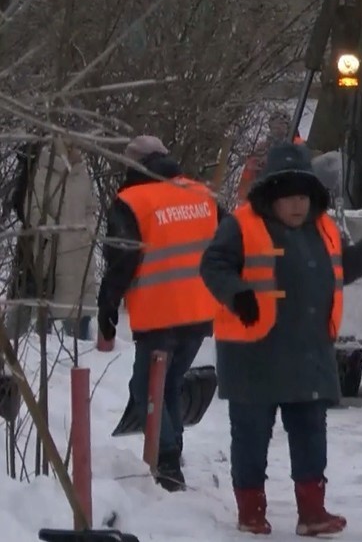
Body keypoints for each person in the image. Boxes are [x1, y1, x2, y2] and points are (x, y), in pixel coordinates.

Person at [199, 142, 362, 536]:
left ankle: (312, 512)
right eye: (288, 197)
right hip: (254, 354)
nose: (297, 205)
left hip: (308, 352)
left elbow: (339, 270)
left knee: (310, 434)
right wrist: (238, 294)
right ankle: (250, 510)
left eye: (303, 196)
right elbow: (213, 265)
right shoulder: (241, 225)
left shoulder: (323, 228)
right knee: (251, 436)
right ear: (271, 195)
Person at [97, 135, 224, 492]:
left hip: (159, 312)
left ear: (133, 165)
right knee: (167, 383)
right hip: (199, 310)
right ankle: (172, 454)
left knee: (145, 387)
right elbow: (229, 242)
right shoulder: (203, 195)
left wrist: (107, 305)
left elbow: (122, 259)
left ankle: (167, 463)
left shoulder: (132, 201)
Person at [5, 138, 99, 340]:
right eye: (71, 144)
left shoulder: (82, 172)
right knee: (47, 305)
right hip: (51, 250)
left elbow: (91, 207)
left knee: (79, 308)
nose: (76, 149)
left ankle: (78, 354)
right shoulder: (44, 171)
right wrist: (51, 230)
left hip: (80, 253)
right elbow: (31, 207)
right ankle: (40, 357)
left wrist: (88, 230)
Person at [236, 111, 304, 203]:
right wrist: (243, 199)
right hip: (264, 198)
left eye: (282, 124)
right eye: (275, 125)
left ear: (288, 127)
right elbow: (248, 175)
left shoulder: (297, 146)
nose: (278, 128)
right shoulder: (262, 148)